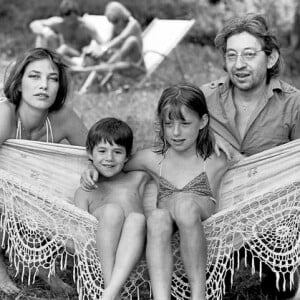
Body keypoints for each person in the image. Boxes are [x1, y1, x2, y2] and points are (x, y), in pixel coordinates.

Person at [81, 84, 229, 299]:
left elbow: (255, 166)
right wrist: (91, 167)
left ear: (203, 122)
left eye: (185, 123)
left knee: (185, 207)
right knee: (157, 218)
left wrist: (221, 140)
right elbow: (113, 164)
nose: (176, 132)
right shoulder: (151, 157)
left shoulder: (217, 157)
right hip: (167, 221)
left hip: (198, 215)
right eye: (169, 124)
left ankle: (199, 295)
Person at [200, 13, 300, 298]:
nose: (239, 65)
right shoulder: (204, 99)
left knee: (284, 289)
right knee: (207, 289)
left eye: (248, 54)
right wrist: (206, 135)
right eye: (231, 55)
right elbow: (167, 136)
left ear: (270, 59)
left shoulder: (293, 103)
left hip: (273, 216)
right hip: (216, 215)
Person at [0, 47, 88, 294]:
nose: (44, 86)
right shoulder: (5, 114)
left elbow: (98, 155)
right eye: (34, 76)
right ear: (18, 84)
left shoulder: (63, 117)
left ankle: (34, 259)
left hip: (28, 197)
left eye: (52, 79)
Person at [74, 117, 150, 300]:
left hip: (136, 248)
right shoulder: (85, 191)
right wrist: (90, 166)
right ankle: (112, 290)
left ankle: (109, 293)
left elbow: (163, 155)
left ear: (128, 157)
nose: (109, 158)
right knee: (112, 212)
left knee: (137, 219)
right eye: (102, 151)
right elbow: (77, 233)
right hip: (100, 250)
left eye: (117, 152)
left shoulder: (138, 178)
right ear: (89, 154)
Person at [77, 1, 145, 78]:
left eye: (115, 21)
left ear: (122, 16)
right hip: (120, 60)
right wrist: (96, 49)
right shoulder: (116, 26)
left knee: (131, 40)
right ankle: (91, 69)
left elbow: (121, 38)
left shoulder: (133, 24)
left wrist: (104, 49)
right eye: (112, 22)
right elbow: (108, 42)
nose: (114, 24)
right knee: (94, 51)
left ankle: (103, 67)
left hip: (135, 63)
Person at [29, 0, 103, 67]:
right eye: (69, 20)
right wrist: (45, 31)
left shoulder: (86, 27)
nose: (71, 22)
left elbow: (102, 43)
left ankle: (51, 60)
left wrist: (95, 49)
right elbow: (34, 24)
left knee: (64, 48)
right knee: (42, 35)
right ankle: (39, 58)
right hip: (62, 54)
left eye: (73, 19)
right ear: (63, 17)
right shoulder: (59, 23)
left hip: (79, 55)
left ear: (77, 15)